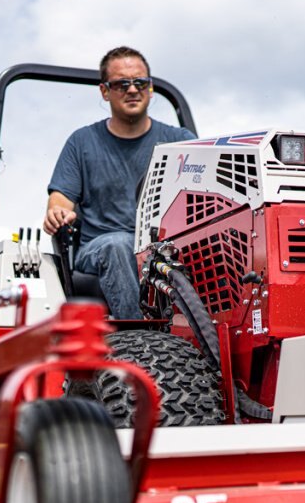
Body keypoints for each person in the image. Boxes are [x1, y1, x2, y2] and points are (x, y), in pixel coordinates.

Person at [42, 46, 195, 318]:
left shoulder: (179, 141)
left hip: (163, 248)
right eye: (122, 84)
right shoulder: (82, 142)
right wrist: (57, 212)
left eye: (140, 83)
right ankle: (141, 343)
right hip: (100, 246)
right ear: (105, 91)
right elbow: (59, 201)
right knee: (119, 245)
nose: (132, 89)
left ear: (150, 88)